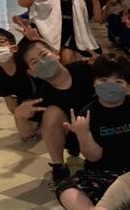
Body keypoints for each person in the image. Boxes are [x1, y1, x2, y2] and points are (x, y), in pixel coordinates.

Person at [56, 54, 130, 210]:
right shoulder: (87, 113)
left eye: (118, 81)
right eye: (103, 80)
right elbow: (93, 157)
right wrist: (83, 134)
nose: (110, 86)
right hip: (101, 174)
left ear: (128, 85)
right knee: (66, 190)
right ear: (94, 82)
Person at [16, 38, 96, 188]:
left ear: (56, 53)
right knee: (51, 113)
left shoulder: (86, 70)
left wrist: (108, 66)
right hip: (70, 135)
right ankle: (59, 168)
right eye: (34, 62)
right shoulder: (41, 97)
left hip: (101, 130)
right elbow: (28, 135)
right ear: (31, 73)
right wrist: (19, 116)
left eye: (44, 55)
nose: (42, 62)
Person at [18, 0, 101, 64]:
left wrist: (95, 1)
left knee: (68, 58)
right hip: (43, 36)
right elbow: (21, 2)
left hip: (70, 38)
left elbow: (98, 19)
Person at [0, 28, 43, 139]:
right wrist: (21, 114)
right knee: (26, 135)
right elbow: (10, 103)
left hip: (46, 98)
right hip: (26, 103)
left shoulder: (26, 60)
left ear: (14, 47)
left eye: (2, 42)